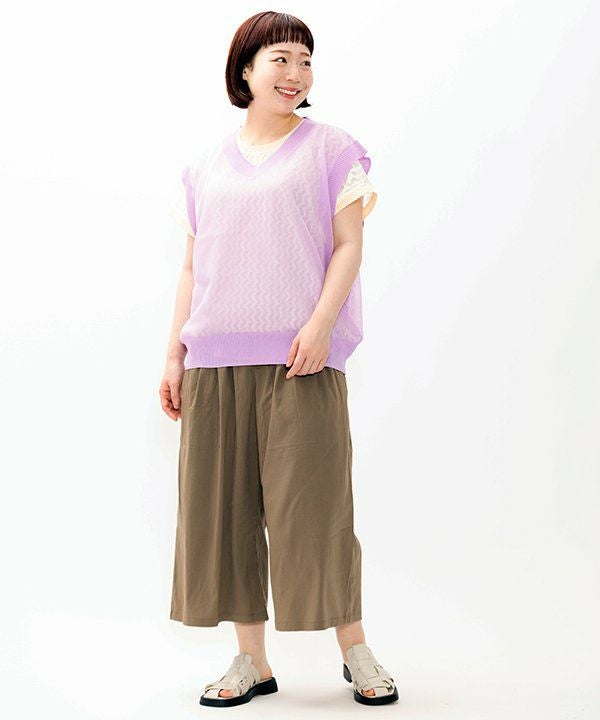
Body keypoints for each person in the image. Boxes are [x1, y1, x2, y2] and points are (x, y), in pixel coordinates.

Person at [160, 10, 398, 708]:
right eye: (280, 60)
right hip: (213, 364)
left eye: (305, 60)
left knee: (317, 509)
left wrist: (320, 326)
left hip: (303, 360)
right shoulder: (204, 167)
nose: (295, 74)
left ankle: (354, 649)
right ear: (246, 70)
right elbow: (191, 268)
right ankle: (251, 660)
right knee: (225, 515)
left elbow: (349, 245)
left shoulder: (332, 151)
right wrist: (174, 356)